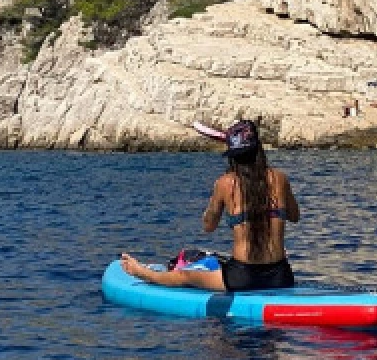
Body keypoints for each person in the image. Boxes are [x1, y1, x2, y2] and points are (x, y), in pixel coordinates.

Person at [121, 119, 300, 292]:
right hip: (280, 276)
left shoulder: (225, 183)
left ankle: (142, 272)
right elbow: (294, 216)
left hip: (243, 277)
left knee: (185, 276)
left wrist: (214, 208)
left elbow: (208, 226)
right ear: (259, 150)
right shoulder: (280, 178)